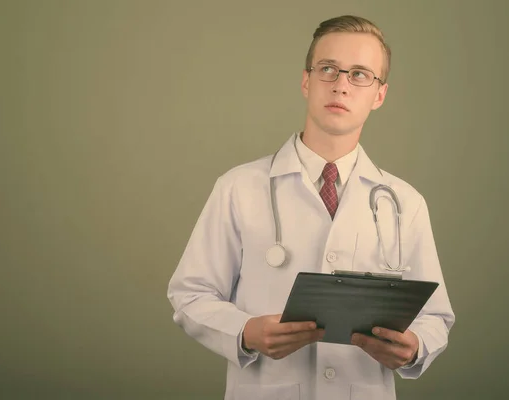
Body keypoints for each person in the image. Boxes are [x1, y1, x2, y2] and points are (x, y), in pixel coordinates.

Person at [167, 15, 455, 400]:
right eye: (328, 69)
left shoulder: (406, 203)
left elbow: (436, 317)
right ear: (306, 81)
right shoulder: (238, 188)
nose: (340, 85)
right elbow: (190, 294)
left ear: (380, 95)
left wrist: (415, 345)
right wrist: (246, 332)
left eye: (359, 75)